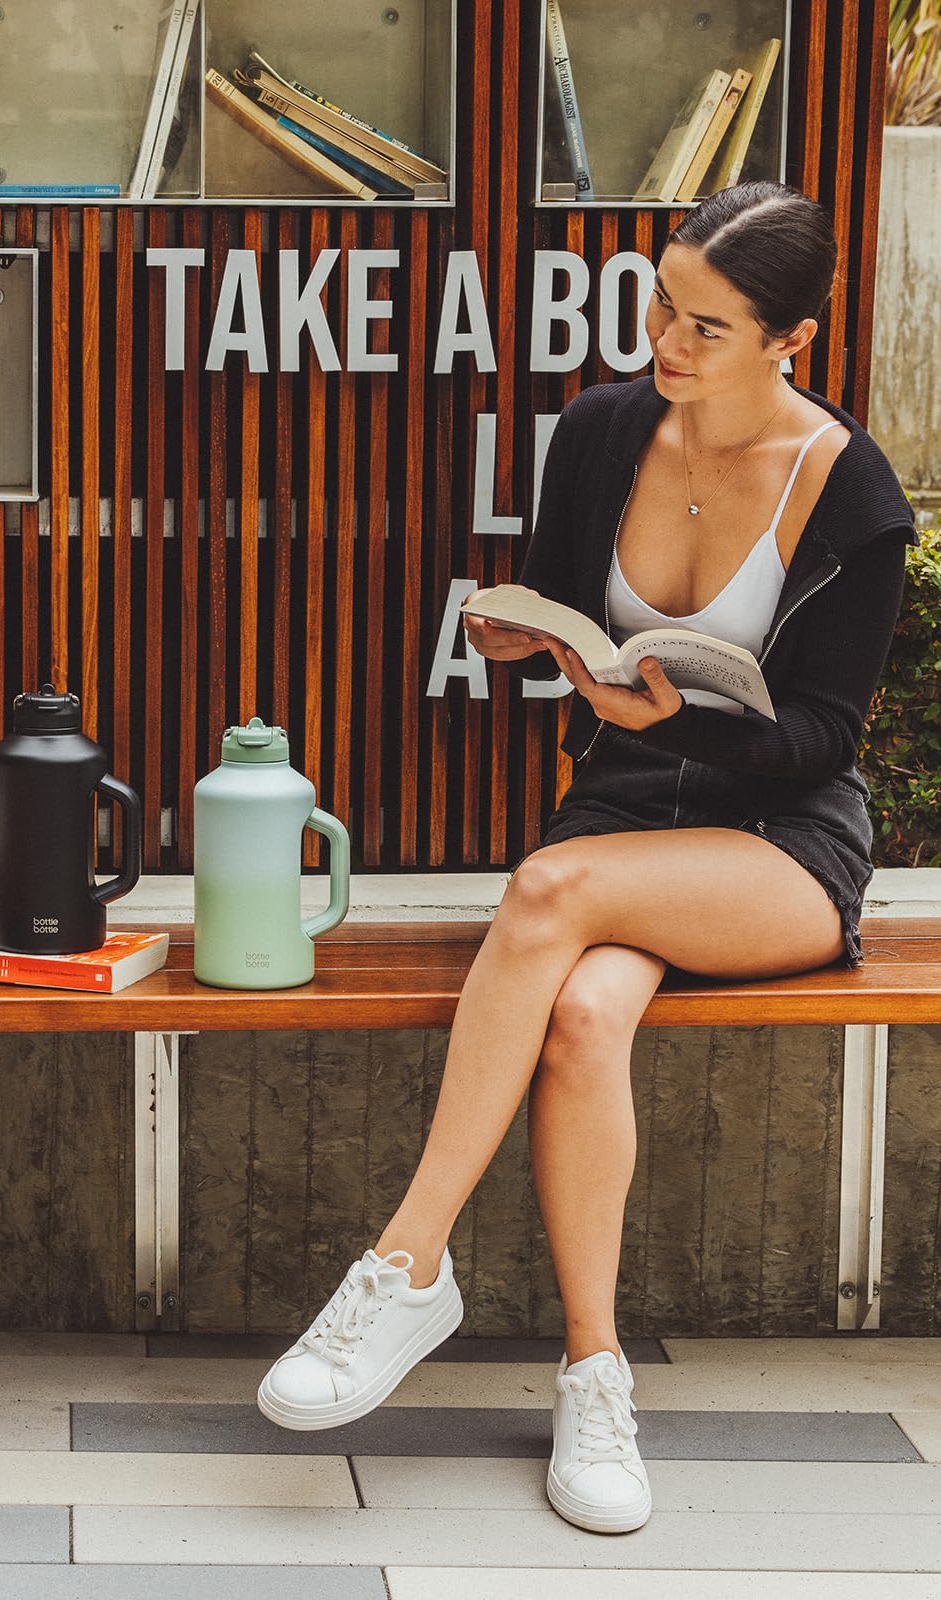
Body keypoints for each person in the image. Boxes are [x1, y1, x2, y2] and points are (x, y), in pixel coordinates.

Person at [255, 181, 915, 1535]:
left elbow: (824, 739)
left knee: (549, 889)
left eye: (707, 328)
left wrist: (683, 724)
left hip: (777, 845)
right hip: (624, 812)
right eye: (659, 304)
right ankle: (594, 1372)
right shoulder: (606, 429)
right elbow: (563, 607)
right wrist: (526, 638)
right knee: (589, 1010)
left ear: (793, 337)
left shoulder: (849, 491)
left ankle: (407, 1263)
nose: (666, 343)